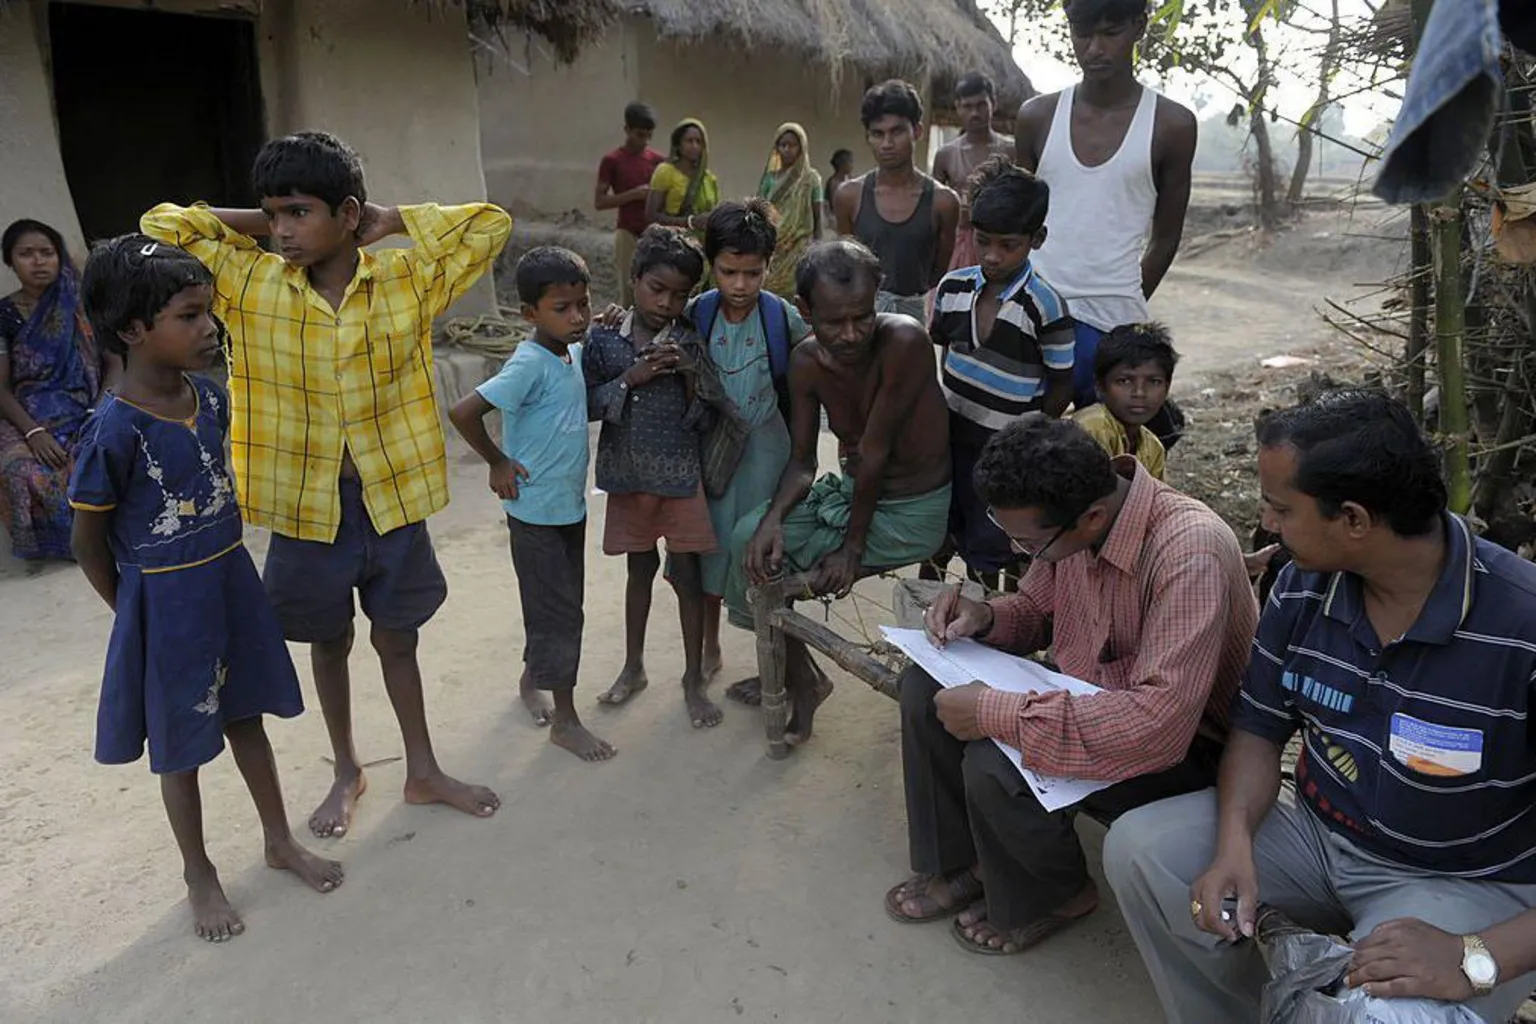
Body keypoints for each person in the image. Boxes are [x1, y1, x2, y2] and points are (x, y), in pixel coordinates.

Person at [1104, 390, 1536, 1024]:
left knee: (1391, 1016)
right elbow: (1257, 726)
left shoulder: (1522, 627)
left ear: (1354, 520)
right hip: (1316, 834)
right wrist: (1233, 846)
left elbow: (1473, 955)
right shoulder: (1303, 583)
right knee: (1143, 853)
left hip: (1462, 881)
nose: (1267, 523)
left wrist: (1477, 956)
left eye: (1281, 508)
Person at [141, 130, 509, 839]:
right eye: (272, 213)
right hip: (306, 512)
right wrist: (265, 219)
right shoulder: (247, 283)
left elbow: (489, 226)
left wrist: (389, 218)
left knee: (398, 639)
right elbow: (161, 227)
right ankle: (348, 767)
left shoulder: (406, 281)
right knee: (327, 640)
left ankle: (423, 768)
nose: (281, 230)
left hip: (393, 501)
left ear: (347, 212)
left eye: (298, 213)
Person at [889, 414, 1254, 956]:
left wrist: (996, 713)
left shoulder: (1189, 552)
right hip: (1094, 698)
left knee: (996, 759)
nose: (1021, 550)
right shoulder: (1072, 519)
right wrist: (984, 617)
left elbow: (1160, 726)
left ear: (1091, 518)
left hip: (1186, 749)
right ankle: (971, 862)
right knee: (925, 688)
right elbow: (1037, 608)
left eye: (1028, 541)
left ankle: (1057, 894)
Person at [69, 234, 343, 942]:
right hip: (165, 604)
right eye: (188, 316)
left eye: (207, 312)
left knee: (245, 714)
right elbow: (87, 542)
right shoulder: (112, 431)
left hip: (230, 583)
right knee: (182, 744)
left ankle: (278, 839)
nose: (208, 328)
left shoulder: (212, 399)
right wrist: (137, 614)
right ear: (133, 330)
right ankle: (199, 873)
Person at [723, 239, 953, 743]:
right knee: (749, 542)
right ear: (804, 310)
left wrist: (851, 548)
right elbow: (803, 461)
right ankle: (804, 678)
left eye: (862, 317)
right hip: (856, 494)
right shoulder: (807, 362)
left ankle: (795, 679)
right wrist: (772, 519)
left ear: (879, 299)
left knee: (772, 564)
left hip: (912, 510)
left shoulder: (905, 341)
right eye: (833, 323)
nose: (850, 335)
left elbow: (875, 451)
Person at [447, 247, 614, 762]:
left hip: (567, 506)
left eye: (583, 305)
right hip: (534, 512)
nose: (578, 317)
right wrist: (497, 461)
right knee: (563, 614)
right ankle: (565, 721)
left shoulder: (570, 351)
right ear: (529, 315)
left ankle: (531, 678)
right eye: (562, 308)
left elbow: (584, 356)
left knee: (554, 604)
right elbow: (462, 411)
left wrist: (601, 324)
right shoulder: (528, 364)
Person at [1015, 0, 1197, 425]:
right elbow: (1016, 221)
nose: (1094, 48)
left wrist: (1123, 299)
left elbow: (1166, 237)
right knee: (1023, 455)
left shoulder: (1172, 125)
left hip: (1116, 327)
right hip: (1035, 317)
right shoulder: (1037, 117)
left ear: (1139, 26)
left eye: (1110, 33)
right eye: (1082, 34)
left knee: (1110, 465)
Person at [585, 225, 728, 729]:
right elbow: (585, 404)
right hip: (628, 478)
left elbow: (706, 419)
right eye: (656, 289)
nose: (667, 303)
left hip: (681, 479)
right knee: (638, 572)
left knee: (687, 577)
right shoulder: (603, 339)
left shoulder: (690, 339)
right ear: (634, 279)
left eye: (680, 294)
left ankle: (692, 678)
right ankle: (633, 666)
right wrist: (631, 378)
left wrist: (690, 377)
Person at [921, 158, 1074, 591]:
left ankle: (987, 630)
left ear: (1036, 239)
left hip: (1005, 451)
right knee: (939, 537)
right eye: (983, 241)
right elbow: (947, 351)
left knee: (990, 549)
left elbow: (1060, 382)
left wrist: (1024, 436)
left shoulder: (1045, 306)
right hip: (950, 440)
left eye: (1008, 245)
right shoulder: (952, 289)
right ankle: (922, 625)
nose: (992, 255)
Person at [683, 200, 813, 705]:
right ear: (711, 266)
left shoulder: (782, 320)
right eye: (728, 271)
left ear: (769, 267)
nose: (739, 284)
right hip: (714, 453)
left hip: (766, 453)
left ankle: (773, 664)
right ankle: (710, 648)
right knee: (709, 552)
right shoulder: (698, 313)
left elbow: (815, 364)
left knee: (762, 557)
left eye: (752, 273)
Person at [0, 219, 119, 569]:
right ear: (10, 261)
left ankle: (105, 538)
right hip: (26, 414)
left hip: (89, 406)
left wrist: (98, 414)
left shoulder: (83, 303)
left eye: (46, 253)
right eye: (26, 254)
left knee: (97, 455)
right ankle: (65, 546)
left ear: (59, 257)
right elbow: (1, 388)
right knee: (23, 471)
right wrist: (34, 433)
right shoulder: (3, 315)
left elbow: (115, 364)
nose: (38, 261)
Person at [834, 80, 960, 321]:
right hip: (861, 318)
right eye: (877, 134)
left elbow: (938, 271)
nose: (887, 144)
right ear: (868, 137)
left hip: (914, 317)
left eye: (897, 131)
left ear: (917, 132)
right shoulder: (849, 196)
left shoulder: (943, 202)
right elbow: (846, 265)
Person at [932, 73, 1017, 275]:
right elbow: (934, 208)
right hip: (957, 244)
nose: (975, 113)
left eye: (981, 105)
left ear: (993, 104)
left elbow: (1023, 199)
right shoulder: (946, 154)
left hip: (1002, 242)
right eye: (967, 106)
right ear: (958, 107)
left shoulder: (1010, 150)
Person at [1073, 321, 1177, 479]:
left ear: (1167, 388)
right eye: (1124, 381)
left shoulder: (1153, 447)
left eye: (1154, 381)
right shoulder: (1092, 427)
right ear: (1100, 386)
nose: (1139, 393)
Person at [595, 102, 665, 306]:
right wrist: (633, 194)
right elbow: (600, 202)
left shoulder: (658, 161)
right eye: (639, 134)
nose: (644, 140)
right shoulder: (612, 160)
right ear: (627, 130)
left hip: (653, 232)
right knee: (628, 290)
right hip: (627, 233)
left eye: (648, 135)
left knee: (655, 289)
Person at [757, 123, 823, 299]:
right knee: (769, 290)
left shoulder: (811, 178)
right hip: (773, 247)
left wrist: (817, 247)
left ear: (801, 147)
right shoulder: (770, 179)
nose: (787, 149)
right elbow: (761, 209)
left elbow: (817, 216)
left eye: (792, 145)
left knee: (796, 293)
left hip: (798, 248)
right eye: (782, 145)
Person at [647, 118, 720, 238]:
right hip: (671, 244)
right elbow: (652, 216)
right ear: (678, 145)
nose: (694, 146)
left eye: (699, 142)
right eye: (689, 141)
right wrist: (689, 222)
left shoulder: (708, 179)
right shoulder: (666, 172)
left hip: (702, 246)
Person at [824, 149, 854, 228]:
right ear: (842, 165)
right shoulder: (834, 183)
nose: (852, 166)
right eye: (850, 162)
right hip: (838, 221)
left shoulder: (850, 180)